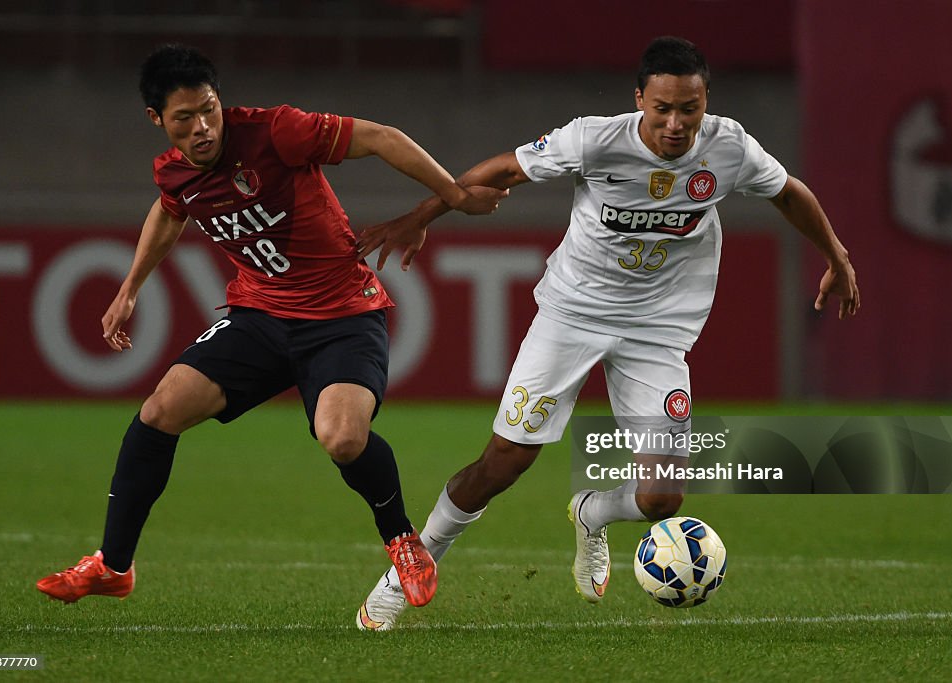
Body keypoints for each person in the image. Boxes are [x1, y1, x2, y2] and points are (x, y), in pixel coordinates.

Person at [352, 36, 860, 630]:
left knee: (662, 499)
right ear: (639, 99)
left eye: (689, 109)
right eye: (662, 108)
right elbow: (503, 169)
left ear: (705, 102)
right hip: (573, 312)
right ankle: (406, 572)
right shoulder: (595, 139)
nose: (675, 124)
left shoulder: (731, 148)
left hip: (658, 328)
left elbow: (788, 193)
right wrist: (422, 217)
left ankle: (592, 512)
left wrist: (836, 255)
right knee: (506, 461)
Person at [35, 44, 506, 608]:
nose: (203, 127)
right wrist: (130, 286)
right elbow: (170, 207)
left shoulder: (277, 131)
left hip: (342, 318)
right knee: (159, 411)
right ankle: (114, 565)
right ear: (157, 120)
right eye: (184, 119)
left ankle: (404, 541)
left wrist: (451, 196)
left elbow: (381, 136)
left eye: (209, 109)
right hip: (259, 318)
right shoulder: (176, 171)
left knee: (342, 438)